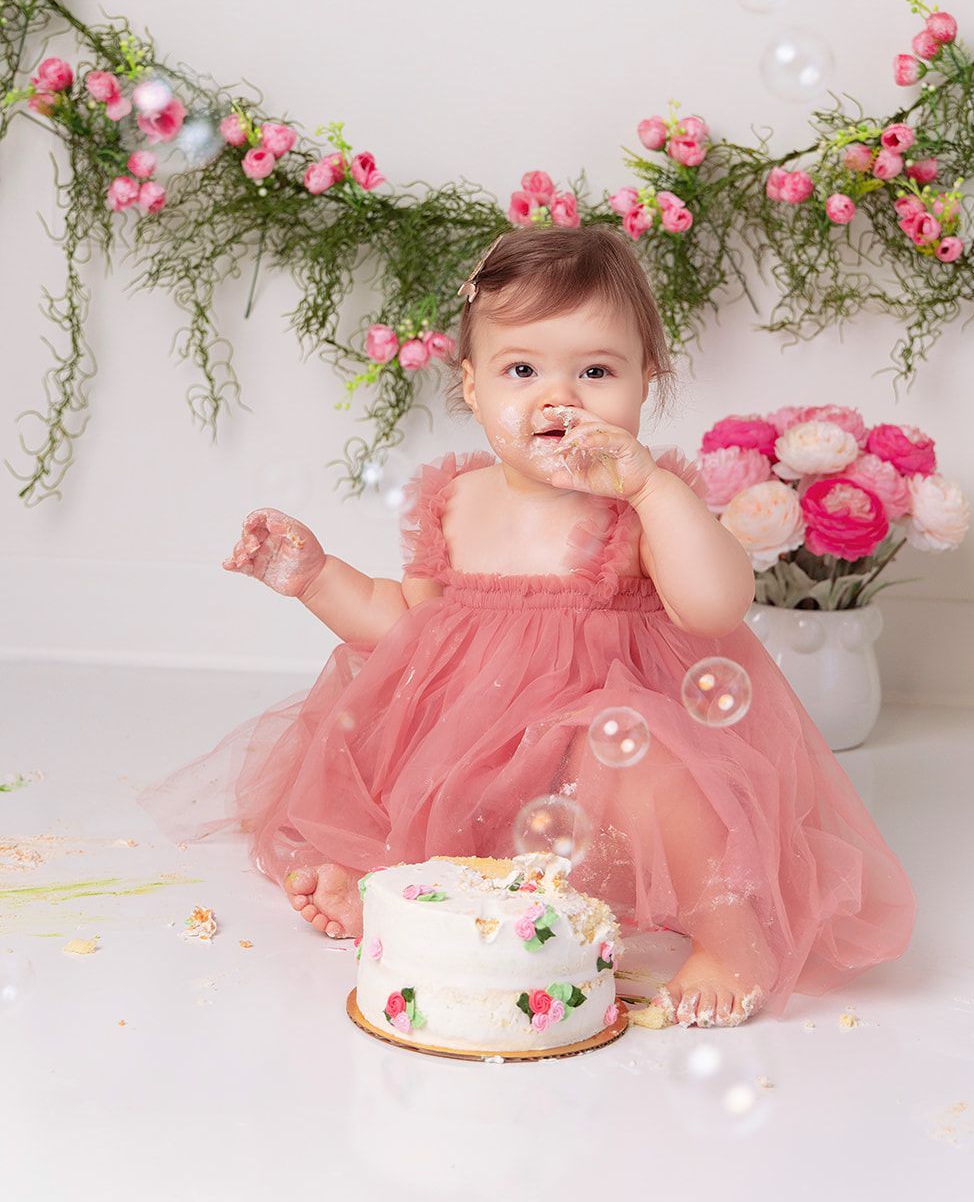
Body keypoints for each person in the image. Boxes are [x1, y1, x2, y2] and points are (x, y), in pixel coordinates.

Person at [138, 225, 916, 1028]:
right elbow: (404, 629)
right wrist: (315, 578)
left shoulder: (645, 504)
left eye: (595, 371)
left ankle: (729, 934)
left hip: (602, 770)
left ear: (645, 383)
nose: (558, 397)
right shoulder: (453, 500)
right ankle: (411, 896)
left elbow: (714, 605)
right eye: (521, 370)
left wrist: (650, 490)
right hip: (480, 753)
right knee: (422, 780)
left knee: (649, 758)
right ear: (471, 388)